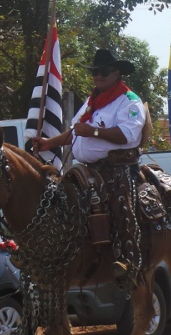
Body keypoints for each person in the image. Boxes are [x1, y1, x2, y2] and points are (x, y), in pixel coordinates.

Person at [32, 48, 146, 285]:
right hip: (87, 168)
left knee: (121, 204)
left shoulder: (129, 101)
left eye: (103, 72)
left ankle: (129, 260)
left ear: (116, 73)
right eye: (95, 72)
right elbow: (74, 132)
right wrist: (47, 144)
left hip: (118, 168)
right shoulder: (92, 101)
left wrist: (93, 131)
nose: (98, 76)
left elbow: (127, 135)